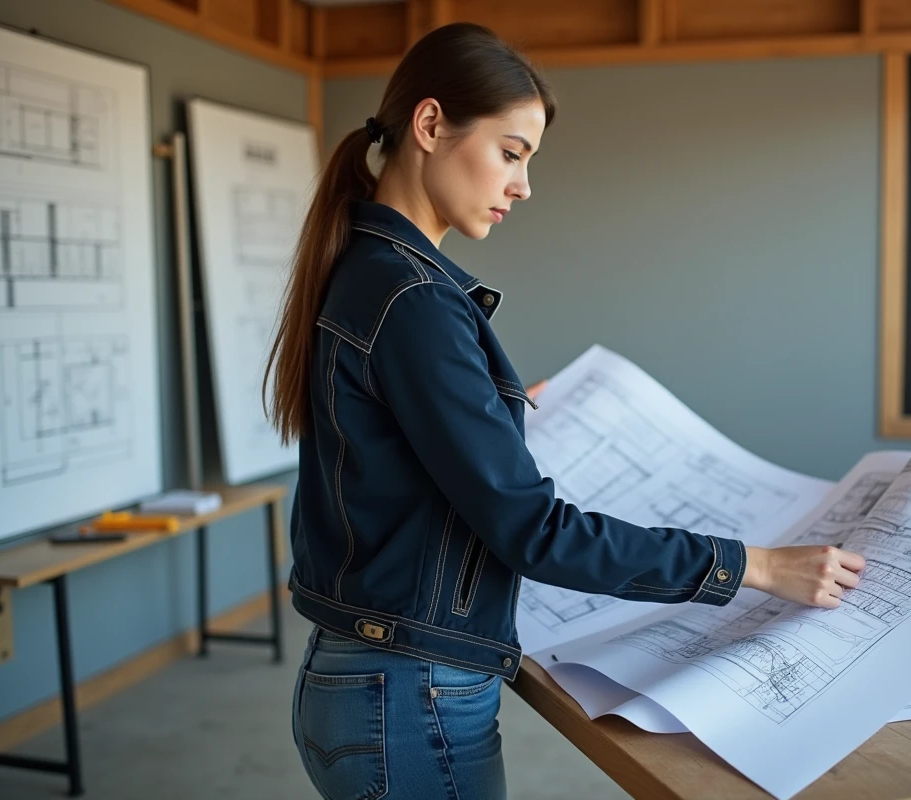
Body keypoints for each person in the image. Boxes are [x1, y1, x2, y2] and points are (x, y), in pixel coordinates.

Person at [263, 21, 866, 800]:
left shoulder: (371, 270)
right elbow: (533, 533)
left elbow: (385, 450)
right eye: (511, 153)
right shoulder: (415, 298)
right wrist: (758, 565)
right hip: (410, 695)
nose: (523, 186)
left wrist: (495, 410)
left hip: (368, 674)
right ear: (431, 124)